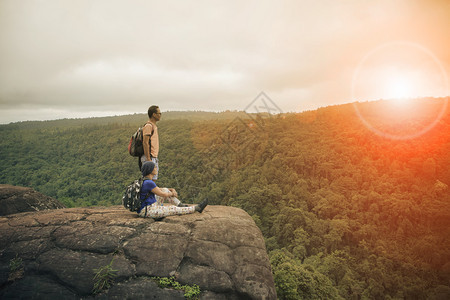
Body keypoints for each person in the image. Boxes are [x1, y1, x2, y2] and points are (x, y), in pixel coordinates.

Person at [138, 161, 208, 218]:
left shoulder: (145, 181)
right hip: (147, 211)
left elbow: (160, 190)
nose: (156, 168)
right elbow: (163, 194)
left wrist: (172, 189)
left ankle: (180, 205)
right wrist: (172, 193)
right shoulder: (149, 182)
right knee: (172, 209)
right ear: (150, 170)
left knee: (165, 189)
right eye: (155, 167)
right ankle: (196, 208)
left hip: (150, 207)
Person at [139, 105, 161, 180]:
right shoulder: (148, 126)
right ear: (154, 114)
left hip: (153, 157)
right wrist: (148, 159)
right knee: (148, 181)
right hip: (149, 157)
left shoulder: (154, 126)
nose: (160, 115)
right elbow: (145, 142)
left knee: (153, 180)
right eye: (159, 113)